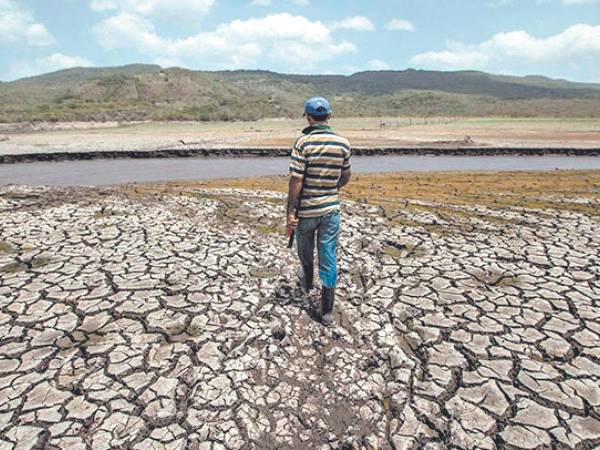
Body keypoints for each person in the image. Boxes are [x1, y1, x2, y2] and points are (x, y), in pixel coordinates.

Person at [286, 96, 352, 326]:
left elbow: (296, 180)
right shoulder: (343, 143)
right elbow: (345, 176)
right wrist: (330, 190)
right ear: (330, 116)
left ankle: (307, 284)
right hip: (331, 210)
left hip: (307, 211)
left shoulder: (302, 143)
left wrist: (290, 212)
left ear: (308, 117)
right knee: (328, 255)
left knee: (305, 251)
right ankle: (327, 311)